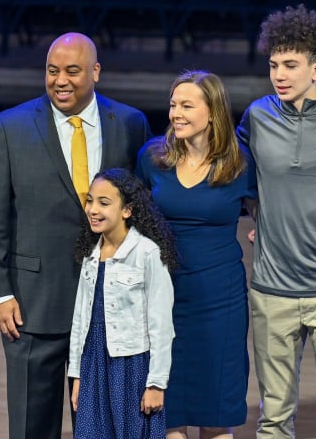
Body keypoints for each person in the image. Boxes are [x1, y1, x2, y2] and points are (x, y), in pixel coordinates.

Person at [0, 32, 151, 439]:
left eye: (72, 70)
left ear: (96, 72)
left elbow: (141, 209)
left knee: (102, 427)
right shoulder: (9, 127)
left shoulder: (129, 123)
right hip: (32, 306)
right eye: (53, 71)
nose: (61, 80)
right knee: (32, 424)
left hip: (109, 305)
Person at [236, 4, 316, 438]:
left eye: (290, 65)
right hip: (272, 291)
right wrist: (258, 210)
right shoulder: (256, 116)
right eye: (274, 64)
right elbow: (230, 171)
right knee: (272, 419)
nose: (279, 73)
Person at [136, 70, 257, 439]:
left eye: (187, 105)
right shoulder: (152, 157)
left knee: (216, 409)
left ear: (213, 111)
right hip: (163, 296)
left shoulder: (240, 163)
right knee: (168, 410)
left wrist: (262, 231)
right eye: (173, 105)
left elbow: (265, 213)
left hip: (220, 299)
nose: (176, 113)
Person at [68, 168, 177, 438]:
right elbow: (80, 320)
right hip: (94, 362)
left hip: (131, 367)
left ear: (127, 210)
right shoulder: (91, 256)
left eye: (104, 203)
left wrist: (156, 383)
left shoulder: (147, 254)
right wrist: (77, 375)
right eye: (90, 200)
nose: (93, 209)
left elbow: (161, 325)